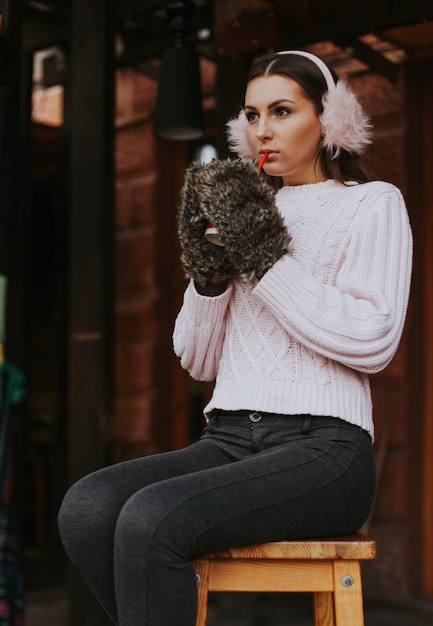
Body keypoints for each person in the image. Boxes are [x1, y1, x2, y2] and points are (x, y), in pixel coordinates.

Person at [58, 50, 413, 626]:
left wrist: (265, 258)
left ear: (329, 119)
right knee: (88, 508)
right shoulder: (246, 209)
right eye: (250, 115)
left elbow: (372, 340)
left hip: (325, 451)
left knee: (150, 519)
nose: (262, 131)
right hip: (226, 438)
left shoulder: (371, 205)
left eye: (281, 110)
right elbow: (196, 359)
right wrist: (207, 274)